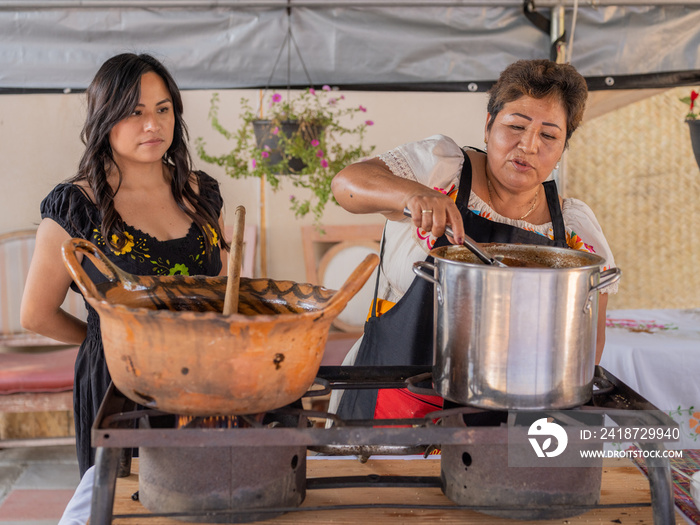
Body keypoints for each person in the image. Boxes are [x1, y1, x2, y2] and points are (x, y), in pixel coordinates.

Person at [330, 59, 618, 422]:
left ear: (563, 147)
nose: (528, 146)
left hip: (506, 413)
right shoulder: (441, 169)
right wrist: (413, 195)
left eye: (548, 135)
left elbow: (587, 347)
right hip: (394, 391)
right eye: (516, 126)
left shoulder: (574, 232)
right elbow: (346, 185)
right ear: (488, 125)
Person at [20, 53, 229, 478]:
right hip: (119, 387)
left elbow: (222, 287)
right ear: (105, 119)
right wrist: (108, 341)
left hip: (203, 377)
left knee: (204, 498)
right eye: (135, 113)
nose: (153, 124)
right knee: (126, 504)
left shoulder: (201, 192)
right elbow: (35, 314)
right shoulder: (77, 207)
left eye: (163, 109)